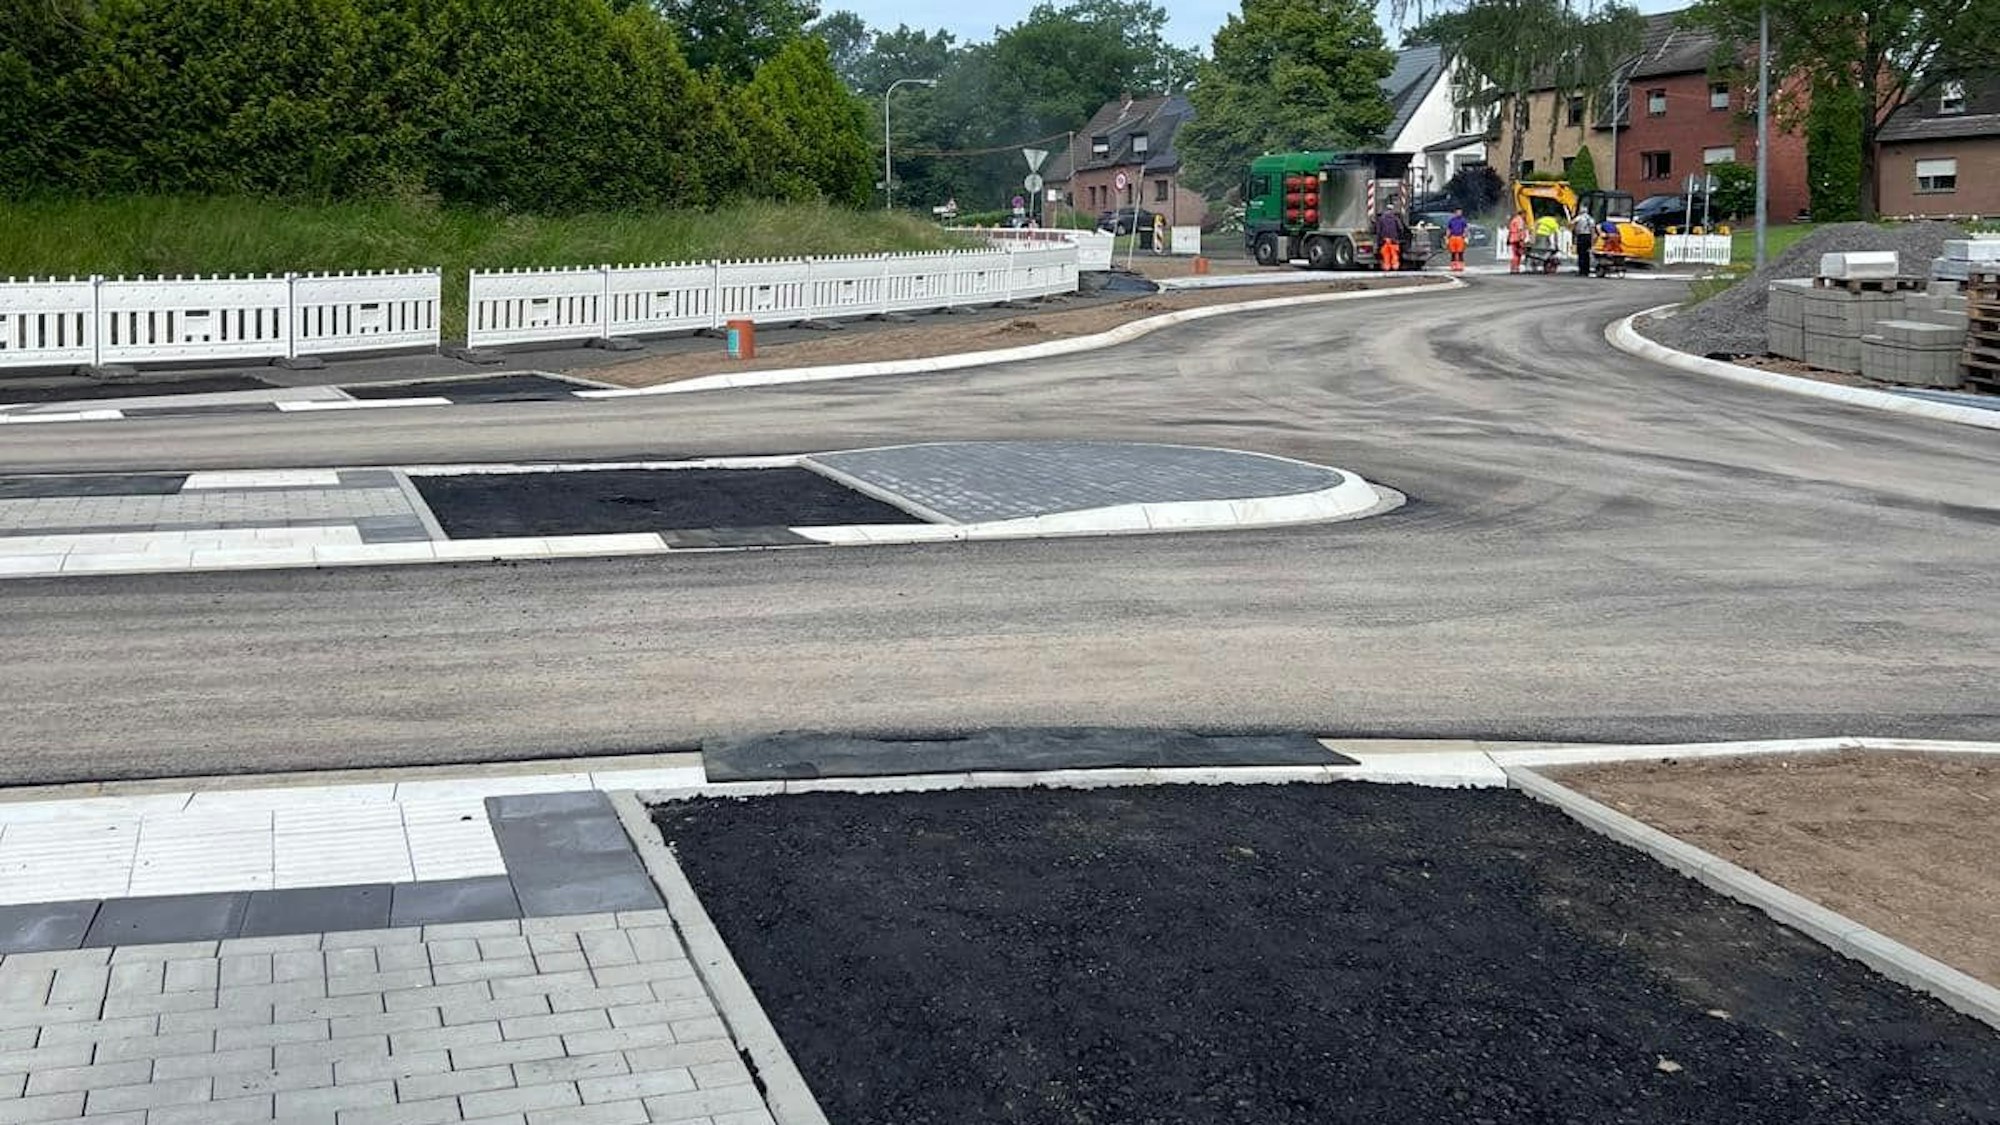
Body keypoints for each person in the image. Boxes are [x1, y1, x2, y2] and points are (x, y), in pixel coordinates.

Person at [1571, 206, 1595, 277]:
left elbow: (1571, 223)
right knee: (1586, 254)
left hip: (1581, 236)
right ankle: (1586, 271)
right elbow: (1592, 229)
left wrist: (1575, 230)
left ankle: (1581, 271)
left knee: (1581, 254)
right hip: (1588, 236)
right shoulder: (1590, 219)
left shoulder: (1579, 218)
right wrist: (1592, 239)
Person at [1445, 207, 1469, 273]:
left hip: (1460, 237)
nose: (1459, 213)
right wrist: (1447, 238)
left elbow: (1466, 229)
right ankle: (1453, 266)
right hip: (1452, 237)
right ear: (1455, 213)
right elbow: (1448, 229)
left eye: (1460, 212)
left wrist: (1465, 236)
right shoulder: (1451, 220)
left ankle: (1460, 266)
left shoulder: (1463, 220)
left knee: (1460, 252)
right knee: (1453, 252)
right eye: (1458, 212)